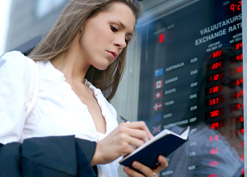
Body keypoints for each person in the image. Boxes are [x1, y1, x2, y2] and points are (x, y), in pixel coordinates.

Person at [0, 0, 168, 177]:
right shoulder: (22, 70)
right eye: (114, 28)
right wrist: (94, 152)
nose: (122, 43)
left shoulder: (107, 110)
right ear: (83, 19)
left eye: (127, 38)